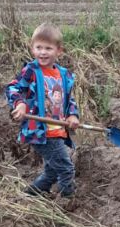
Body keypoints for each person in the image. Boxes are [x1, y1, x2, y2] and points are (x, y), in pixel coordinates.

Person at [5, 24, 80, 197]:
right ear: (32, 49)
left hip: (58, 129)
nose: (43, 52)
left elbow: (69, 99)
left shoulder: (64, 75)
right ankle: (67, 200)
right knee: (66, 168)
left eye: (48, 48)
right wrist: (20, 104)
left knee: (52, 171)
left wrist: (72, 115)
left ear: (59, 51)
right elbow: (13, 88)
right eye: (39, 48)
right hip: (40, 131)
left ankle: (31, 193)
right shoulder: (31, 71)